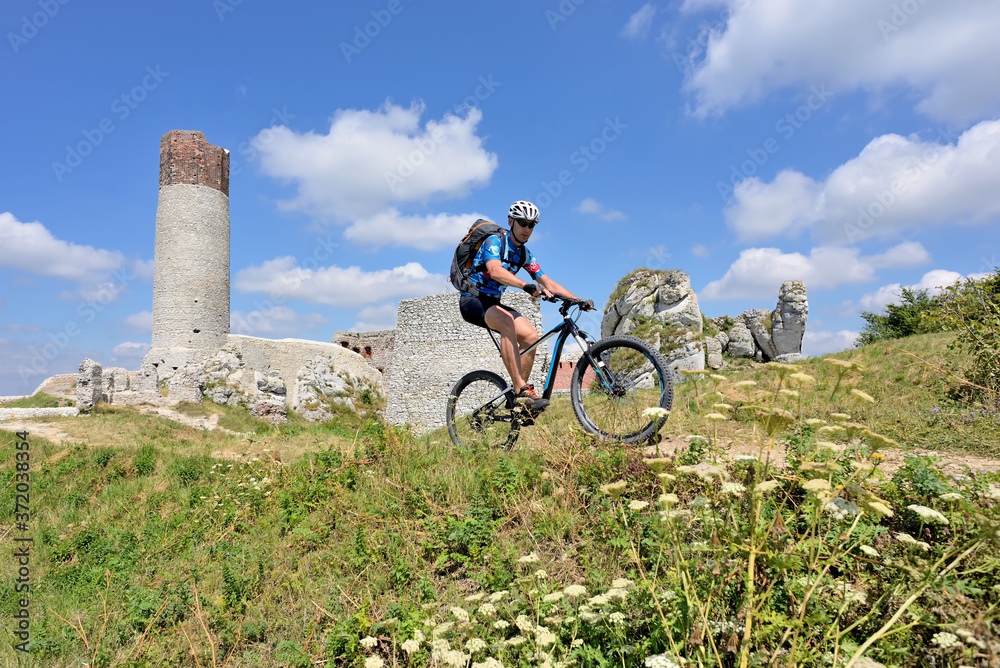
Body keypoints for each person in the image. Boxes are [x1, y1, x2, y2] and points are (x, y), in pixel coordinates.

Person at [459, 200, 594, 415]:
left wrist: (578, 300)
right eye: (523, 223)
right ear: (511, 221)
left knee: (531, 336)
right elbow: (495, 271)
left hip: (493, 303)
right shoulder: (495, 242)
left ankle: (517, 395)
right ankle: (521, 389)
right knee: (506, 322)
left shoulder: (524, 254)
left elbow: (547, 281)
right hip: (473, 300)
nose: (527, 229)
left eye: (532, 225)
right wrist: (525, 285)